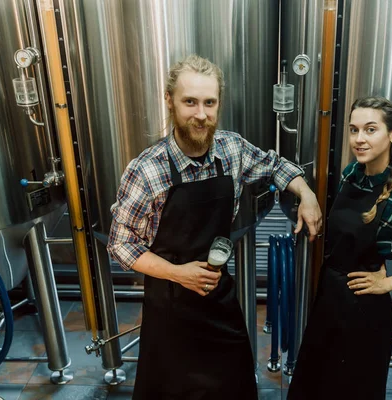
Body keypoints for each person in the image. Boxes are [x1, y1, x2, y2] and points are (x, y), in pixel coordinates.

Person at [107, 54, 322, 400]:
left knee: (233, 387)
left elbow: (274, 165)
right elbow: (121, 244)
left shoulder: (231, 148)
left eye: (209, 102)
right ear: (170, 101)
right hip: (170, 308)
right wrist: (179, 273)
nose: (201, 114)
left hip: (218, 300)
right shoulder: (147, 169)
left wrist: (306, 193)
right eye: (189, 102)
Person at [287, 97, 392, 399]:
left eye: (370, 129)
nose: (359, 139)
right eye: (353, 130)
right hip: (329, 297)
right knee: (315, 381)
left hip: (364, 309)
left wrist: (389, 283)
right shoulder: (353, 173)